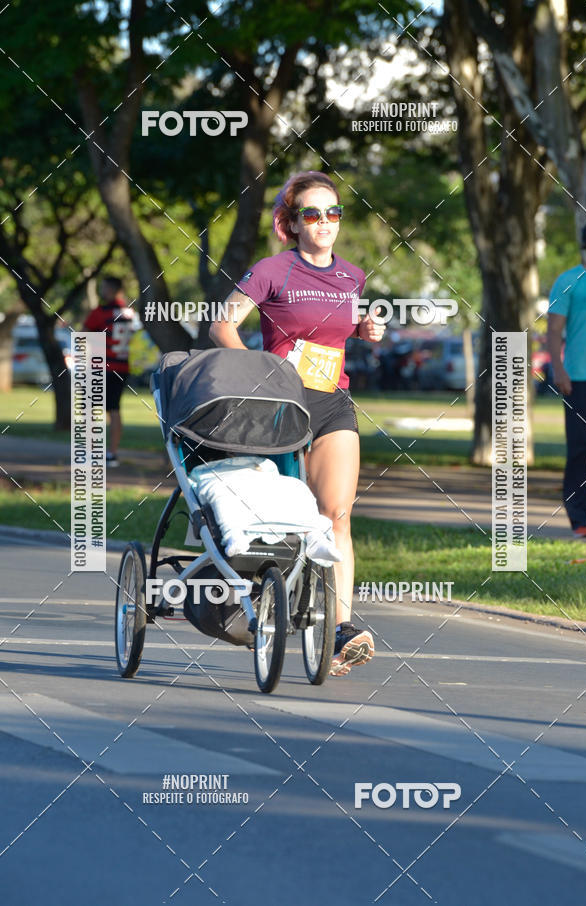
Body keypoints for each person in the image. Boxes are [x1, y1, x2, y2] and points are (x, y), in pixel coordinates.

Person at [209, 170, 385, 676]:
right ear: (293, 221)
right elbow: (224, 323)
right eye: (313, 213)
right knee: (283, 519)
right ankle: (262, 606)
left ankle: (341, 630)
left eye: (334, 213)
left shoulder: (352, 275)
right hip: (282, 404)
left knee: (337, 513)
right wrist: (255, 369)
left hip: (333, 402)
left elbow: (339, 327)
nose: (325, 221)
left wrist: (366, 327)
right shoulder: (273, 270)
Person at [547, 219, 586, 538]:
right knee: (581, 450)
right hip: (578, 378)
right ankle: (580, 520)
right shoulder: (569, 281)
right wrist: (559, 369)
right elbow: (553, 331)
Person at [83, 275, 134, 467]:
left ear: (112, 289)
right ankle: (112, 453)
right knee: (114, 410)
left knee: (92, 410)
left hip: (102, 366)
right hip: (122, 365)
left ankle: (91, 452)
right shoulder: (129, 311)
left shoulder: (101, 312)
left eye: (104, 288)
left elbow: (84, 332)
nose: (101, 292)